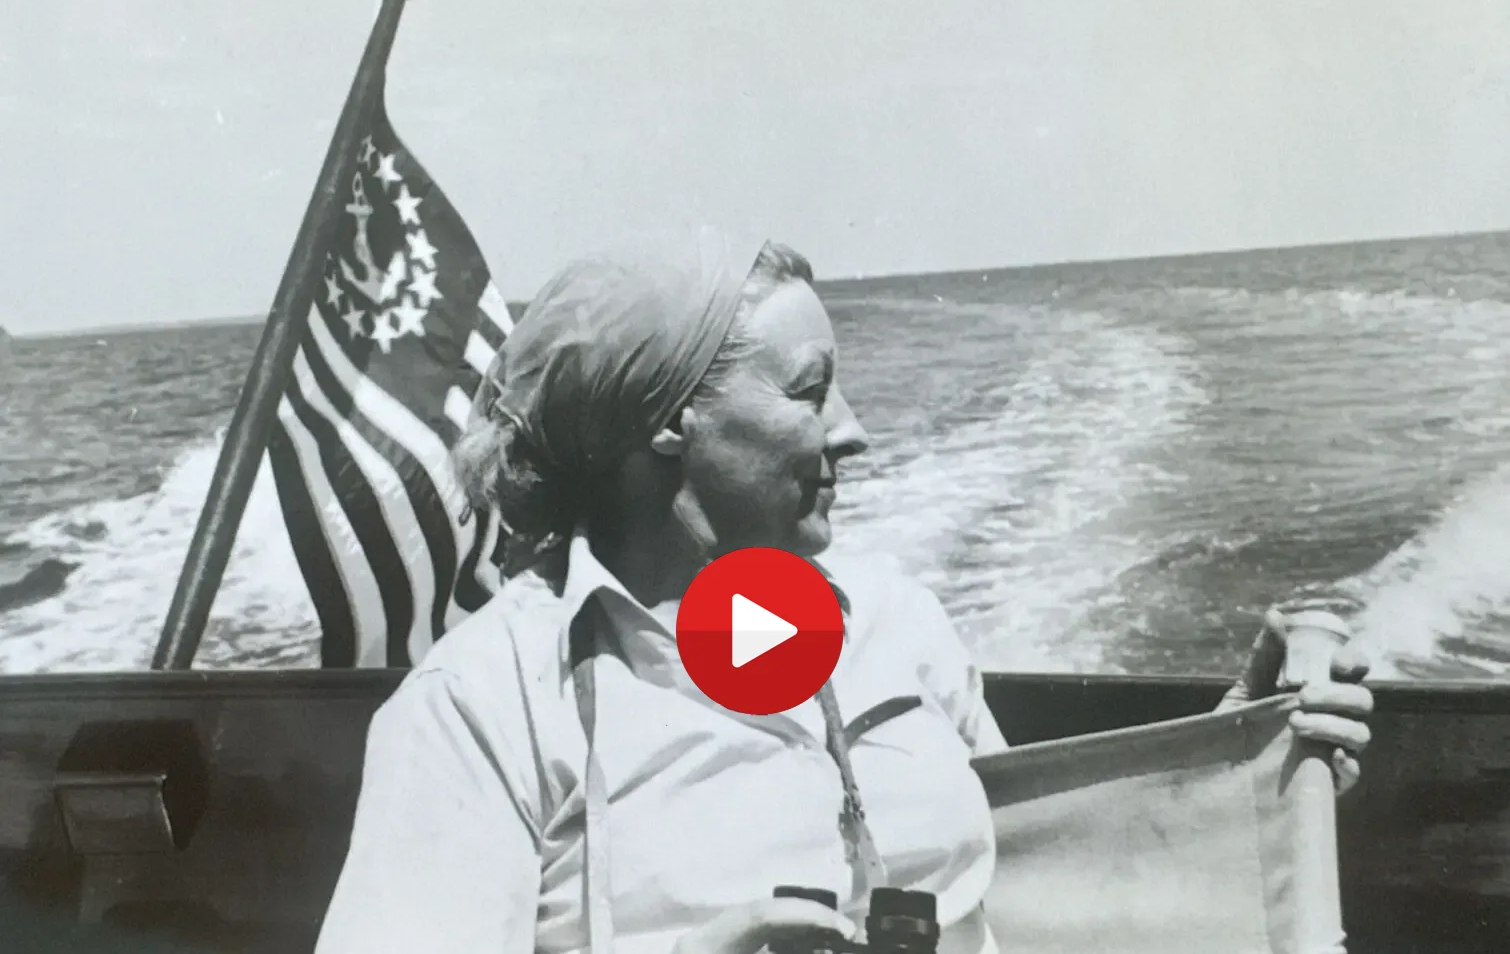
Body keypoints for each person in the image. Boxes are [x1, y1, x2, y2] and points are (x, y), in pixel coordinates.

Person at [313, 231, 1373, 954]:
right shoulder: (484, 703)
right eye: (809, 391)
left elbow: (1031, 871)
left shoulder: (892, 620)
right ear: (665, 425)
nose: (852, 428)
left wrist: (1243, 755)